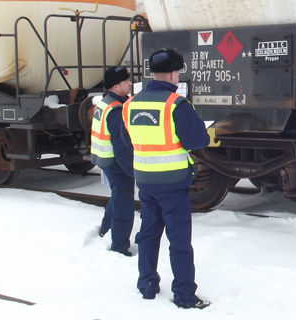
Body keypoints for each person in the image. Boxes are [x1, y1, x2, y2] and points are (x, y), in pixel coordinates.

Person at [121, 48, 212, 309]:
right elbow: (197, 140)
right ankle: (184, 295)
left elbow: (127, 140)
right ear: (174, 73)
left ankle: (147, 284)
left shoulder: (130, 104)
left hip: (146, 182)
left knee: (148, 234)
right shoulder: (175, 104)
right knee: (179, 241)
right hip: (173, 184)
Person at [90, 66, 135, 257]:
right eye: (126, 82)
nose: (130, 84)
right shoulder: (116, 110)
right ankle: (119, 247)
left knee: (117, 194)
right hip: (116, 163)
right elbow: (121, 147)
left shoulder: (105, 103)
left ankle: (105, 227)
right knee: (124, 205)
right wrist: (132, 171)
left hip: (103, 159)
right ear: (116, 86)